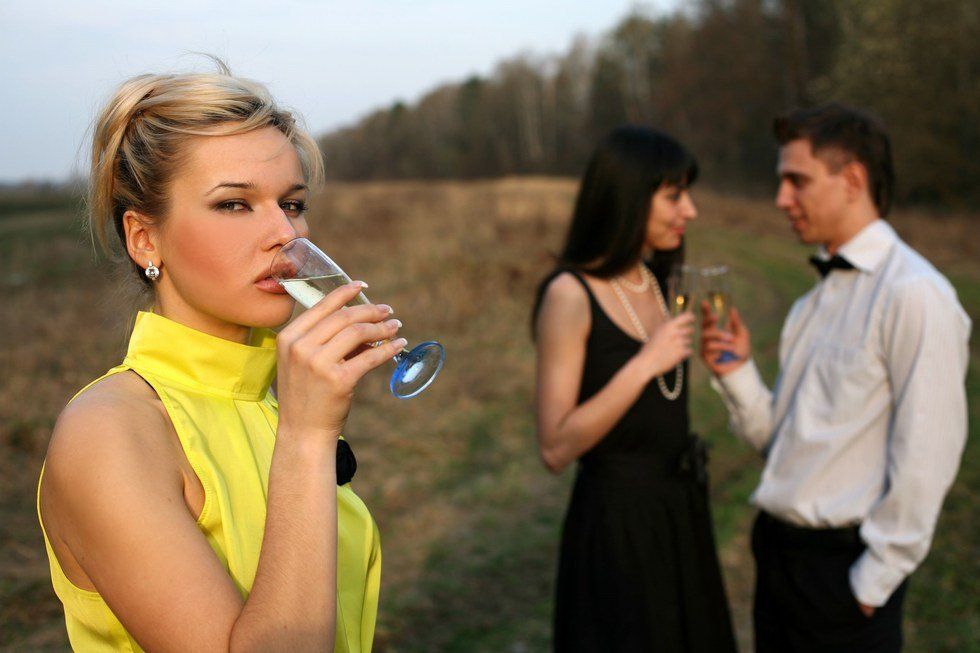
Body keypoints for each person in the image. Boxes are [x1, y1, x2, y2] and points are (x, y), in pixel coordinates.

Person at [36, 61, 404, 651]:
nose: (286, 234)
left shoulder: (266, 401)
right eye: (234, 204)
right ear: (144, 239)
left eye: (292, 203)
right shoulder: (108, 431)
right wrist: (308, 439)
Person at [701, 103, 971, 652]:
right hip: (779, 562)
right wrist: (736, 373)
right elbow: (789, 445)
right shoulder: (812, 303)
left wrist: (871, 583)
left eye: (796, 181)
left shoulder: (915, 295)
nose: (781, 199)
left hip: (841, 578)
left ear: (852, 181)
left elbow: (929, 453)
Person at [533, 126, 737, 652]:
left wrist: (724, 362)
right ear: (628, 196)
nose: (690, 210)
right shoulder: (570, 294)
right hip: (618, 528)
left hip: (680, 513)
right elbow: (555, 448)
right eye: (674, 195)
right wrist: (645, 364)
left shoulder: (662, 282)